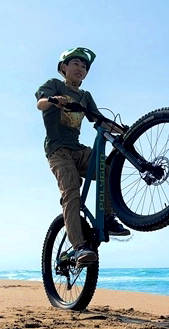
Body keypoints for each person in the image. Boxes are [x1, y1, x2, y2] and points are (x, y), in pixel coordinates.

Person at [35, 47, 130, 266]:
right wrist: (54, 100)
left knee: (107, 169)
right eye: (76, 63)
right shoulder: (55, 85)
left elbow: (99, 121)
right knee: (71, 193)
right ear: (63, 68)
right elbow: (40, 103)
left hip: (78, 150)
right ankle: (79, 248)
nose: (81, 68)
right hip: (58, 152)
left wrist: (124, 130)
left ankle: (107, 217)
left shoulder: (85, 97)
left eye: (84, 66)